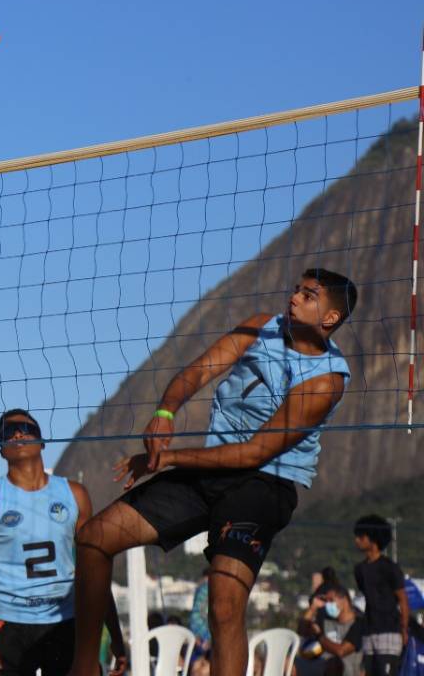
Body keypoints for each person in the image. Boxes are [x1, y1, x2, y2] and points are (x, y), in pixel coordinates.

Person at [67, 268, 358, 676]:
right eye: (295, 289)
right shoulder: (262, 327)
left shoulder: (327, 379)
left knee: (224, 606)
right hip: (209, 470)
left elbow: (254, 453)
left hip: (264, 484)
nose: (293, 297)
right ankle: (84, 668)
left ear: (329, 318)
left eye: (307, 295)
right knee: (93, 539)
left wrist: (167, 459)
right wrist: (166, 413)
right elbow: (198, 371)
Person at [0, 410, 127, 676]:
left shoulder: (75, 494)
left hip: (64, 620)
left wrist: (117, 639)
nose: (17, 433)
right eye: (7, 432)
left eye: (26, 427)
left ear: (42, 440)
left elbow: (94, 569)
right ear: (1, 450)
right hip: (6, 623)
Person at [354, 514, 410, 676]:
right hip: (369, 630)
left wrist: (404, 628)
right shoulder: (359, 569)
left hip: (390, 631)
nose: (357, 540)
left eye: (361, 536)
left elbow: (402, 599)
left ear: (372, 539)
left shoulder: (390, 567)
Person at [297, 582, 366, 676]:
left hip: (347, 671)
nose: (328, 604)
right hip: (322, 668)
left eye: (331, 600)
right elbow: (302, 631)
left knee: (334, 663)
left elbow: (341, 651)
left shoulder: (359, 624)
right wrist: (313, 607)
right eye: (326, 601)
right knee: (291, 663)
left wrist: (319, 636)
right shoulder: (326, 620)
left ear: (344, 599)